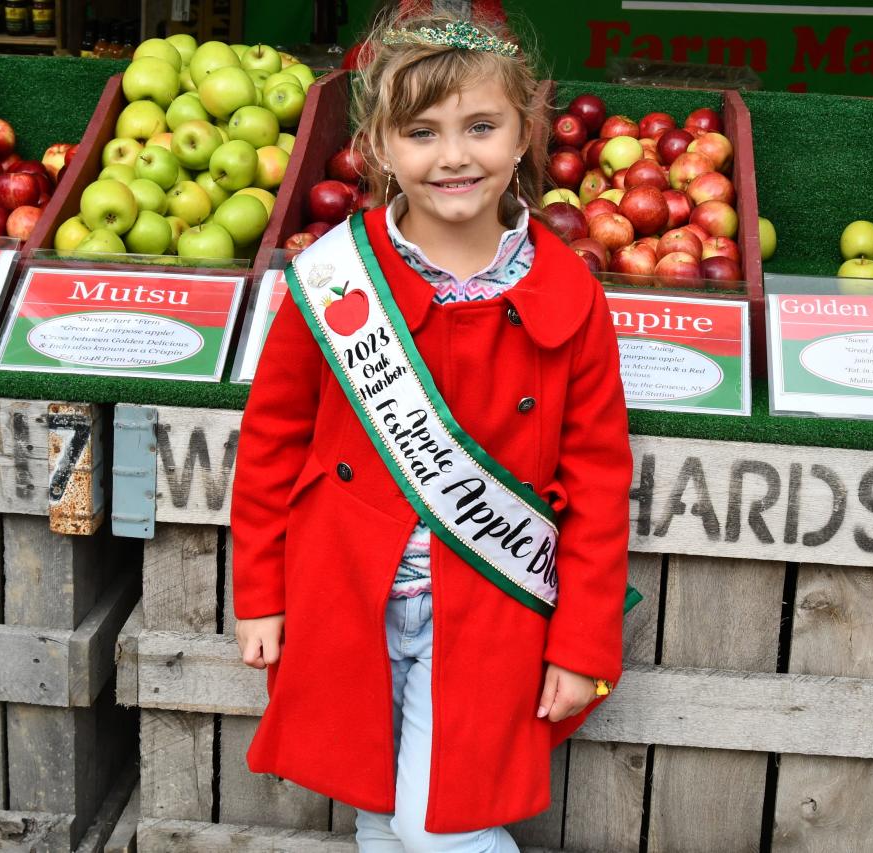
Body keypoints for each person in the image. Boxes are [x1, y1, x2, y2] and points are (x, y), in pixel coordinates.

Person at [231, 9, 632, 852]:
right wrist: (261, 594)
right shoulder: (336, 277)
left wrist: (584, 642)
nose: (454, 156)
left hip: (490, 607)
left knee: (434, 827)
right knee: (380, 813)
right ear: (379, 146)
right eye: (422, 132)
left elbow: (597, 481)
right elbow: (271, 443)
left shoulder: (571, 294)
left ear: (526, 132)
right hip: (345, 595)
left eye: (481, 127)